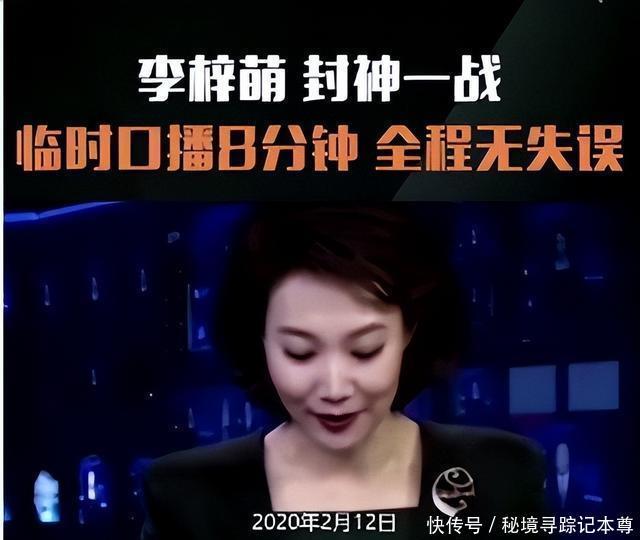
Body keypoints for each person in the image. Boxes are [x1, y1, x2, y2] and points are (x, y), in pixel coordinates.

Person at [141, 205, 546, 539]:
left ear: (410, 333)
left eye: (365, 351)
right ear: (259, 340)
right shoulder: (188, 495)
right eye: (300, 353)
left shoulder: (499, 473)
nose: (335, 388)